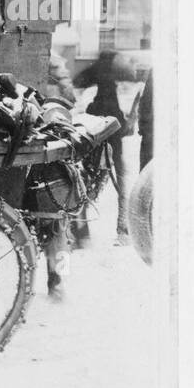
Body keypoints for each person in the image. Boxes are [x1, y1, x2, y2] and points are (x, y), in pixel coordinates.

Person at [73, 50, 131, 245]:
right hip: (114, 143)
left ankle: (81, 233)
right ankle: (123, 231)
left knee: (86, 184)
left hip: (96, 143)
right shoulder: (117, 87)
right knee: (122, 184)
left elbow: (78, 81)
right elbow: (123, 124)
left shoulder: (97, 90)